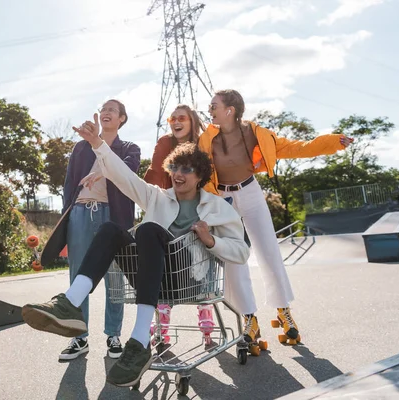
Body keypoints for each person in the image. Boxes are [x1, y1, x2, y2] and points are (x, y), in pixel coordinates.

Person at [22, 114, 250, 387]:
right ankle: (70, 303)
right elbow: (124, 177)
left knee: (147, 229)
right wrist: (97, 143)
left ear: (200, 175)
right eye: (175, 166)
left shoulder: (217, 207)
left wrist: (211, 241)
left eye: (187, 169)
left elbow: (241, 252)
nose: (178, 173)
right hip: (149, 279)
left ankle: (139, 340)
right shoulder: (157, 196)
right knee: (110, 229)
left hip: (188, 280)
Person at [199, 89, 354, 344]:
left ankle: (284, 311)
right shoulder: (207, 137)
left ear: (230, 110)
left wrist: (332, 142)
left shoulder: (256, 133)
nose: (209, 109)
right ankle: (249, 317)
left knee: (269, 251)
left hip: (250, 192)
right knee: (235, 258)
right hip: (223, 200)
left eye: (213, 105)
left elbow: (296, 148)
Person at [59, 99, 140, 361]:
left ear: (122, 119)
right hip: (81, 213)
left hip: (112, 216)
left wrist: (103, 168)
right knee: (78, 276)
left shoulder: (129, 149)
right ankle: (79, 337)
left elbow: (127, 173)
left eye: (112, 110)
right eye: (103, 108)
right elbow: (69, 184)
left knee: (115, 278)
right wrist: (66, 221)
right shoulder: (81, 148)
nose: (106, 112)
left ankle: (113, 335)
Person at [142, 104, 214, 344]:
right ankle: (162, 320)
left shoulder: (204, 141)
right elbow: (155, 171)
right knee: (166, 263)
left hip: (200, 206)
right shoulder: (165, 143)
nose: (176, 121)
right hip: (171, 207)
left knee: (202, 260)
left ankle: (205, 309)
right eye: (172, 118)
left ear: (192, 120)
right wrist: (147, 199)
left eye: (181, 117)